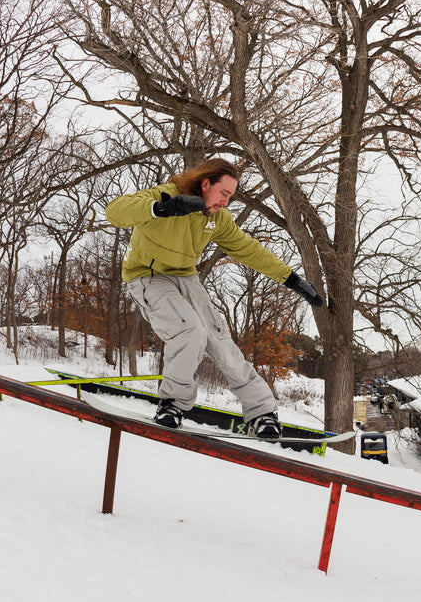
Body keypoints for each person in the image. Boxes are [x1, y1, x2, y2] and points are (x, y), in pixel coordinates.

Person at [105, 158, 323, 437]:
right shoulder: (166, 195)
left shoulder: (216, 219)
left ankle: (262, 413)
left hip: (186, 277)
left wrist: (291, 279)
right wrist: (160, 209)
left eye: (231, 197)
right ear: (205, 184)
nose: (226, 202)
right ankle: (172, 404)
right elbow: (115, 211)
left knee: (220, 340)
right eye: (224, 193)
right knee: (190, 333)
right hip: (148, 276)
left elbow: (247, 249)